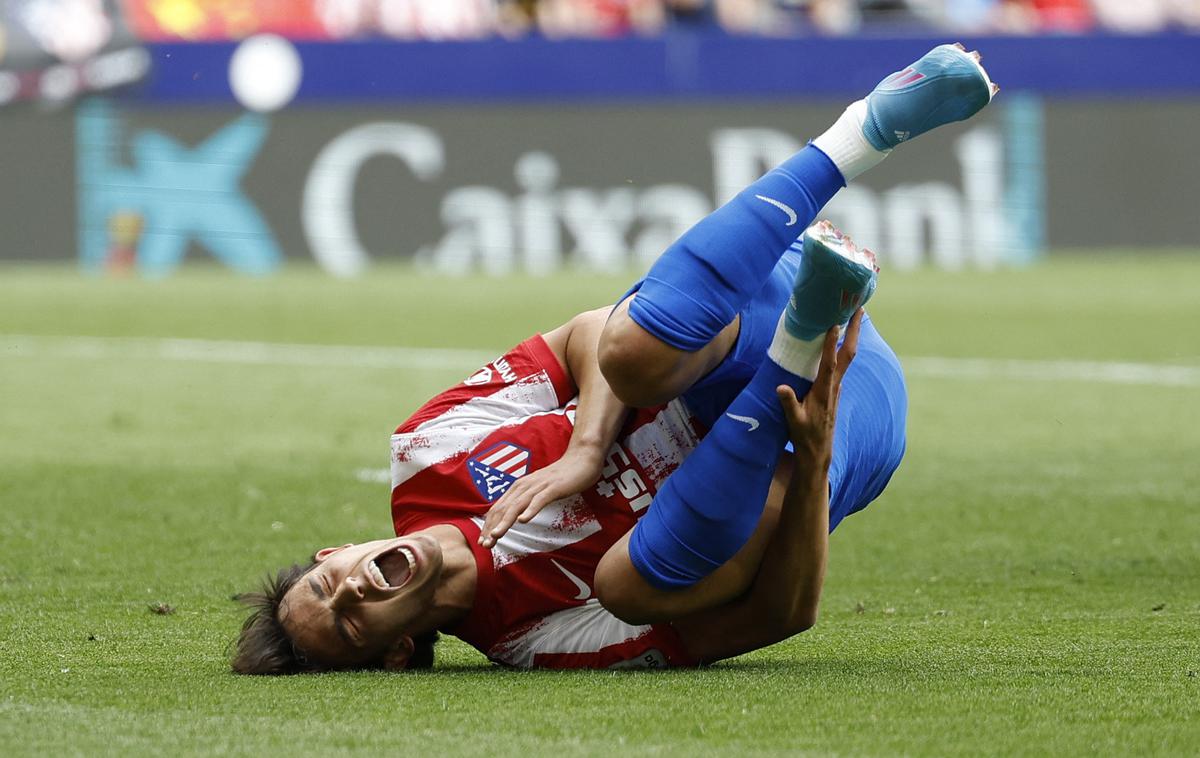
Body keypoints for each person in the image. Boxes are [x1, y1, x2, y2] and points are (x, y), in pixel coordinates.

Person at [232, 43, 997, 673]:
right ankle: (802, 359)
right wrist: (816, 455)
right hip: (828, 428)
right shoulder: (533, 641)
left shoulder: (426, 456)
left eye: (329, 582)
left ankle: (862, 131)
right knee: (631, 585)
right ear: (399, 650)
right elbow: (776, 613)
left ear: (339, 551)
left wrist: (586, 450)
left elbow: (586, 330)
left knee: (625, 354)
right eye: (352, 624)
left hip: (742, 323)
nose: (351, 593)